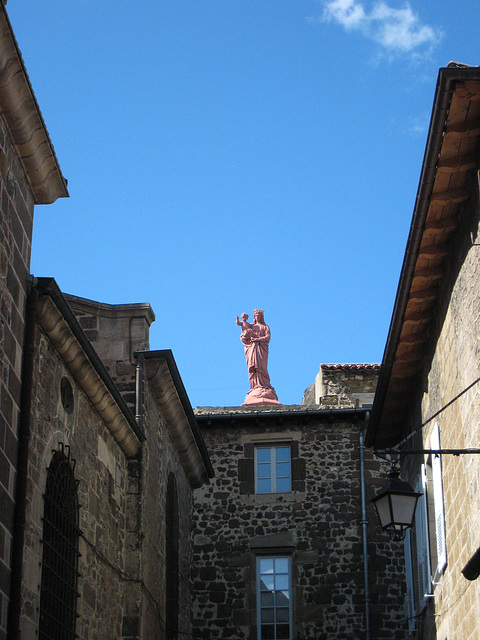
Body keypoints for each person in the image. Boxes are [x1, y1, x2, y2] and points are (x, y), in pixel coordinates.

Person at [237, 309, 276, 394]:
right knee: (253, 367)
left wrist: (257, 339)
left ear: (261, 317)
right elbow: (244, 335)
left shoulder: (265, 327)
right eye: (255, 316)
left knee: (262, 366)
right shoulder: (251, 326)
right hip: (252, 348)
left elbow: (268, 337)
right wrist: (245, 336)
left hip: (261, 348)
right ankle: (254, 386)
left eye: (258, 316)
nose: (257, 317)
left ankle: (264, 385)